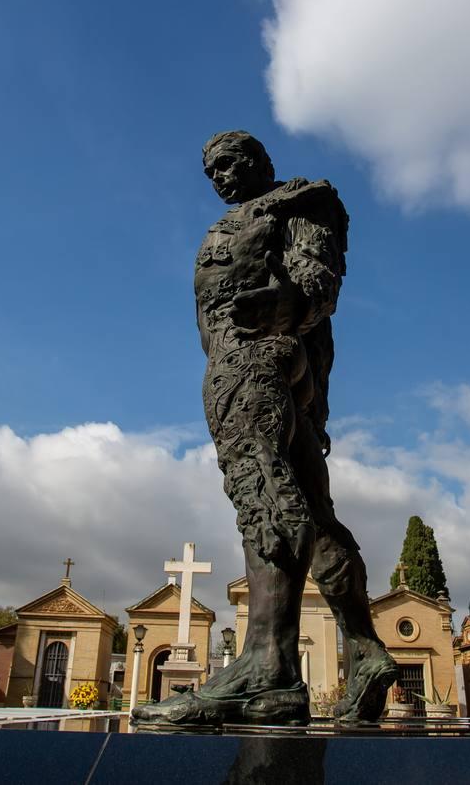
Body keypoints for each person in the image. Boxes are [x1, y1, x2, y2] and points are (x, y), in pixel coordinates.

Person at [133, 131, 397, 726]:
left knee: (266, 500)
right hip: (240, 368)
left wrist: (287, 306)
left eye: (230, 164)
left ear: (260, 161)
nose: (221, 177)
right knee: (304, 507)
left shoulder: (300, 202)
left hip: (260, 362)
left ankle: (269, 662)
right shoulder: (228, 224)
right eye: (212, 172)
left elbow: (316, 282)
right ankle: (361, 651)